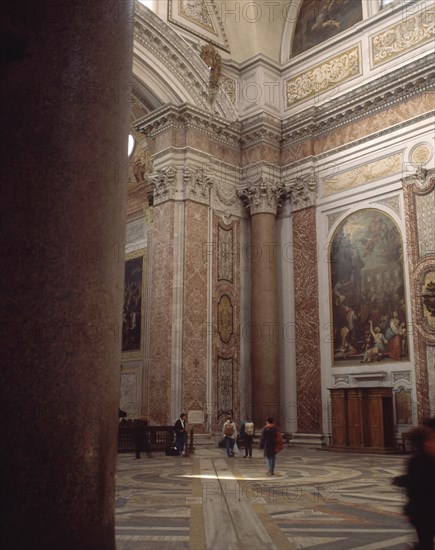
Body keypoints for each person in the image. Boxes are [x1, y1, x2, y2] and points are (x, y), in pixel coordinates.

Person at [393, 418, 435, 549]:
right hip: (424, 510)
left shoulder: (422, 459)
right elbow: (419, 483)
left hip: (424, 509)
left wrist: (402, 480)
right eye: (431, 439)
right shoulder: (418, 460)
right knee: (425, 541)